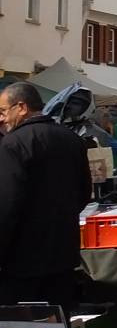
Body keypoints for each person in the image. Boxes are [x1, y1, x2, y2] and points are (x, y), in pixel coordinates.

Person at [0, 82, 92, 315]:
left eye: (3, 111)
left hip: (23, 257)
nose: (2, 119)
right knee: (59, 323)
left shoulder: (13, 143)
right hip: (63, 250)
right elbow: (83, 192)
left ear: (21, 107)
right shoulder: (71, 139)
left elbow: (7, 204)